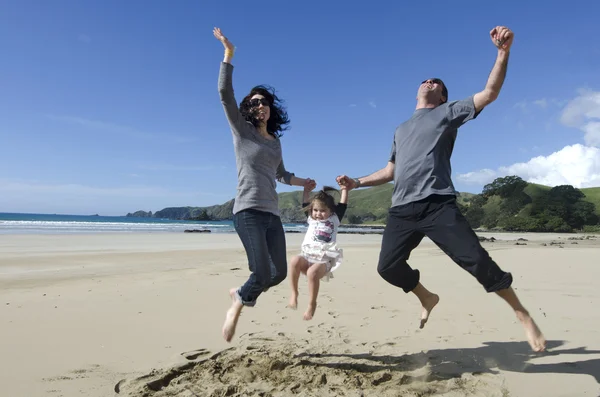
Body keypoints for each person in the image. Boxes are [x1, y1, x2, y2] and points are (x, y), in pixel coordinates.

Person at [336, 26, 546, 352]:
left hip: (437, 204)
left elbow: (489, 93)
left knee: (475, 259)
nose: (429, 82)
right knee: (387, 267)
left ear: (443, 96)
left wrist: (502, 52)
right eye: (426, 79)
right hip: (403, 209)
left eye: (437, 83)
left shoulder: (448, 113)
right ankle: (427, 297)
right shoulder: (401, 128)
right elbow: (392, 170)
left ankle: (522, 314)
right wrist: (358, 182)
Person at [213, 27, 317, 343]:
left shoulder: (275, 142)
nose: (261, 106)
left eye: (265, 102)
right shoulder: (242, 131)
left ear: (271, 109)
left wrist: (304, 183)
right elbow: (224, 94)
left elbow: (281, 175)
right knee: (260, 272)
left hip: (272, 215)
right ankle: (237, 305)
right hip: (247, 211)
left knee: (279, 274)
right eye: (255, 102)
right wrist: (228, 55)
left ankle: (243, 292)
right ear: (248, 107)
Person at [287, 183, 348, 320]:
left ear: (331, 211)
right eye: (315, 210)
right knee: (294, 260)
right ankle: (294, 294)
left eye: (322, 211)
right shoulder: (311, 219)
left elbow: (343, 205)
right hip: (307, 257)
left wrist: (344, 189)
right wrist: (306, 190)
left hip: (323, 260)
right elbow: (305, 202)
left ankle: (311, 303)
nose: (318, 214)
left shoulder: (334, 219)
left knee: (312, 273)